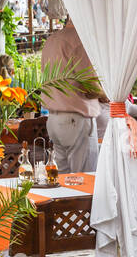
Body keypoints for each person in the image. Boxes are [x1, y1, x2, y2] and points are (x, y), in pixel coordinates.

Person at [41, 21, 104, 172]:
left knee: (62, 179)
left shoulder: (51, 41)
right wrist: (107, 95)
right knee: (84, 177)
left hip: (54, 119)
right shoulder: (79, 40)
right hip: (76, 119)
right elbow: (89, 84)